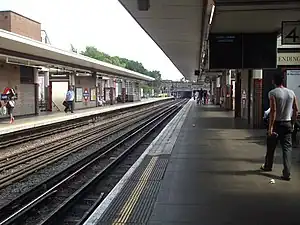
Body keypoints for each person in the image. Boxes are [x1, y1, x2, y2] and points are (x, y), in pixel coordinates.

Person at [261, 73, 298, 181]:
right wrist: (293, 123)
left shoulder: (272, 93)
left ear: (273, 81)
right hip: (287, 123)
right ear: (283, 81)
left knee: (271, 146)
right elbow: (296, 109)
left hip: (277, 124)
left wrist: (270, 128)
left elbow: (273, 111)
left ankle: (268, 166)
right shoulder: (291, 93)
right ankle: (287, 173)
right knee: (287, 149)